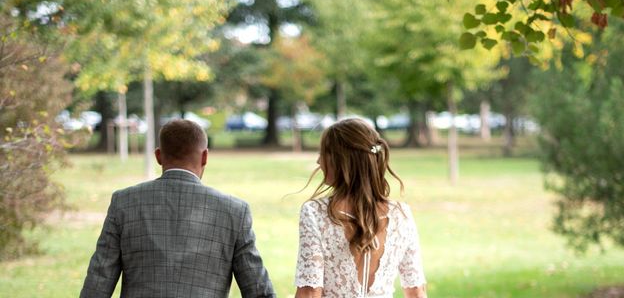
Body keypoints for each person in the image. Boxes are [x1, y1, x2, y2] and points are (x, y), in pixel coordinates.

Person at [80, 119, 275, 298]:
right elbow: (258, 290)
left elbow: (98, 282)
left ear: (158, 155)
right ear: (205, 157)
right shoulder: (234, 211)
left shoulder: (124, 202)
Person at [294, 118, 427, 298]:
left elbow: (310, 292)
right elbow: (416, 291)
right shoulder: (401, 214)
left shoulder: (315, 212)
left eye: (324, 153)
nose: (318, 161)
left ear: (342, 160)